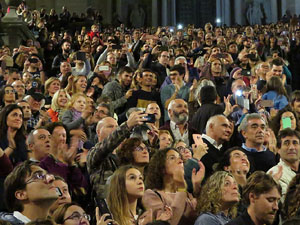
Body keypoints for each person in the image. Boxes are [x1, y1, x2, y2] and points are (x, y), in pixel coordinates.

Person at [87, 112, 148, 199]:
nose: (115, 129)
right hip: (109, 206)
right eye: (110, 126)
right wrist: (127, 126)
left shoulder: (124, 157)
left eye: (117, 127)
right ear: (98, 132)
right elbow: (106, 146)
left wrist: (153, 143)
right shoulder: (93, 153)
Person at [143, 148, 203, 225]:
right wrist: (181, 187)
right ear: (161, 168)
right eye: (172, 158)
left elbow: (200, 216)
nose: (180, 161)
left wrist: (197, 187)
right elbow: (168, 222)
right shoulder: (151, 195)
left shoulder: (187, 193)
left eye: (180, 158)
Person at [267, 128, 300, 198]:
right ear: (278, 149)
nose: (291, 147)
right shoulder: (274, 173)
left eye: (295, 143)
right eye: (286, 143)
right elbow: (287, 202)